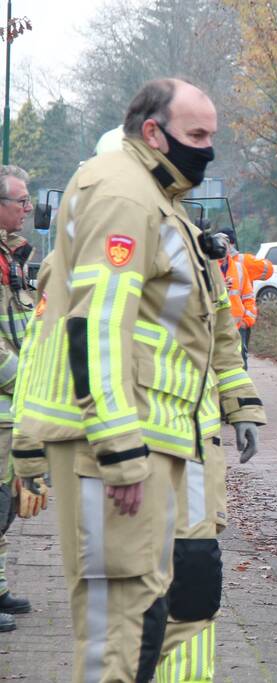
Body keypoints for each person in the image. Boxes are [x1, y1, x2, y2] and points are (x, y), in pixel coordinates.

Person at [10, 78, 266, 683]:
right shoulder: (123, 195)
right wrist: (118, 448)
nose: (207, 150)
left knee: (181, 597)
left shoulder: (162, 197)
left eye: (212, 136)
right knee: (120, 620)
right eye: (197, 135)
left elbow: (208, 319)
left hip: (174, 438)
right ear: (154, 131)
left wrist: (237, 397)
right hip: (126, 442)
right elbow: (97, 326)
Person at [0, 165, 36, 632]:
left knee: (5, 504)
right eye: (20, 201)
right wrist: (25, 379)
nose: (28, 209)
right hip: (8, 396)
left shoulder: (13, 257)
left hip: (11, 408)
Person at [216, 226, 257, 368]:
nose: (222, 249)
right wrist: (220, 287)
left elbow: (248, 297)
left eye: (224, 246)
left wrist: (248, 320)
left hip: (238, 326)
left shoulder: (239, 268)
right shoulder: (207, 268)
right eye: (218, 246)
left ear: (229, 247)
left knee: (239, 364)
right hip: (215, 326)